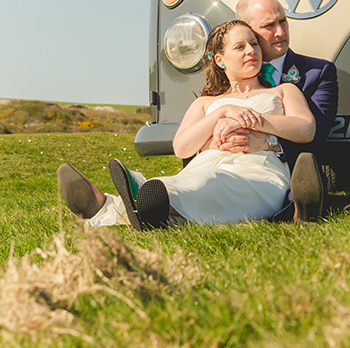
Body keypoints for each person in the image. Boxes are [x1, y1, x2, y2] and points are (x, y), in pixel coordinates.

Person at [58, 20, 324, 229]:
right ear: (220, 60)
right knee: (196, 178)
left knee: (210, 181)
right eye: (239, 47)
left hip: (258, 169)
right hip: (207, 163)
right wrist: (222, 114)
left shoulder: (283, 91)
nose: (251, 51)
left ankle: (110, 205)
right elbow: (182, 147)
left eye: (254, 44)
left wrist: (258, 122)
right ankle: (152, 207)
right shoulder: (207, 103)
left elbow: (306, 128)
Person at [218, 0, 339, 219]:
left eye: (283, 21)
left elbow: (318, 133)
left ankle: (300, 204)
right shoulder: (227, 72)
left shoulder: (318, 73)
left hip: (290, 167)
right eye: (268, 26)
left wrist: (267, 142)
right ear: (248, 30)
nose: (280, 32)